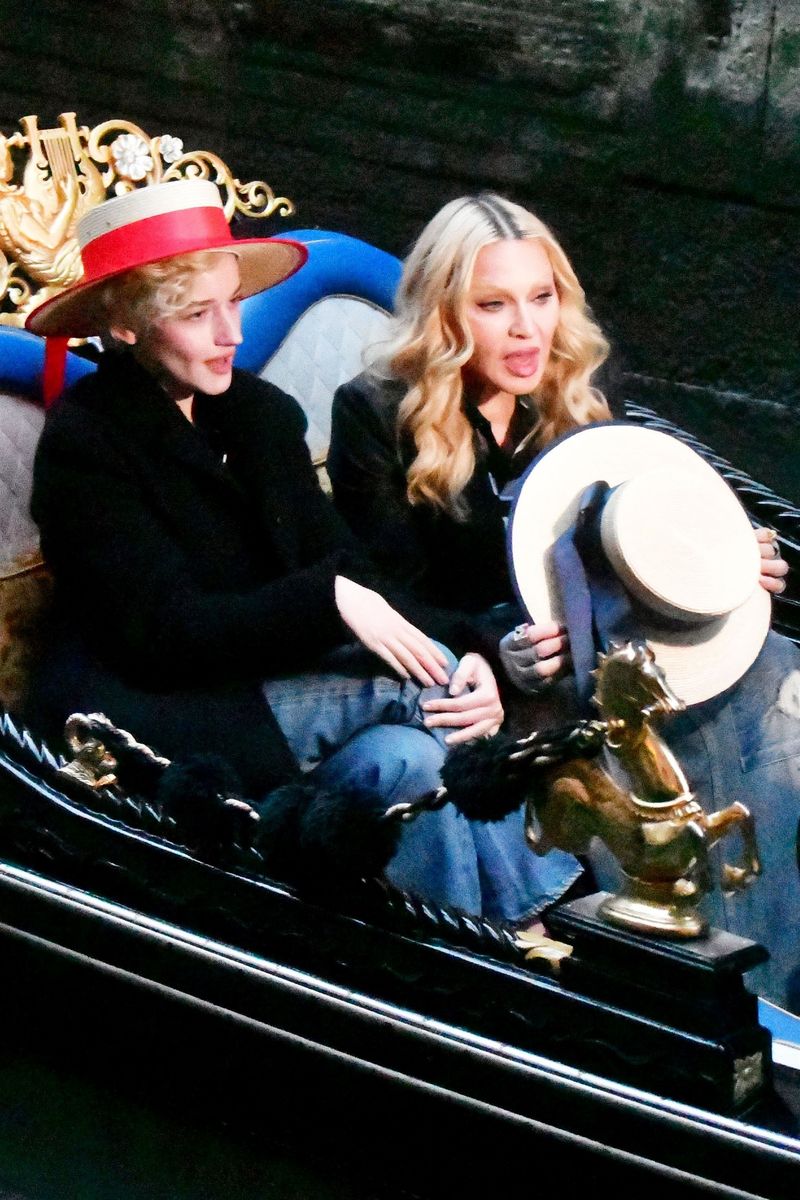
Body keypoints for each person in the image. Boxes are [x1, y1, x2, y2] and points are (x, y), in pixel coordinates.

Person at [24, 178, 579, 924]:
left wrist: (474, 644)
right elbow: (162, 637)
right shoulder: (87, 442)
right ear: (125, 326)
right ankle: (536, 924)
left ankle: (433, 968)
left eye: (233, 304)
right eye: (197, 315)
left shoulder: (257, 416)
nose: (232, 335)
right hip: (165, 721)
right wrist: (334, 604)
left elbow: (352, 566)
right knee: (434, 693)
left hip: (272, 694)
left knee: (413, 759)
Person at [328, 192, 800, 1008]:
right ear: (446, 311)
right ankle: (666, 987)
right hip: (494, 681)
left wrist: (726, 560)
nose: (527, 330)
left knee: (775, 671)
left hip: (611, 656)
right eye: (494, 305)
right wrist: (492, 645)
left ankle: (767, 989)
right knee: (632, 727)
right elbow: (386, 592)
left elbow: (642, 537)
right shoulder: (374, 411)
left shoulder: (582, 388)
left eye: (542, 299)